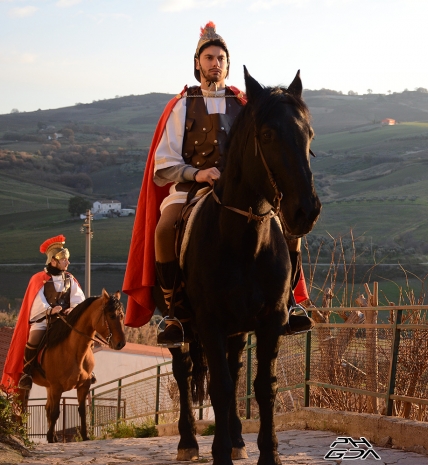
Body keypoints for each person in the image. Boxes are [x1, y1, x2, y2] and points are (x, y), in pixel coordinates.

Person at [122, 21, 314, 347]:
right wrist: (197, 174)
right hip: (191, 188)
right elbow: (164, 162)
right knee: (164, 229)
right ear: (198, 63)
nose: (215, 63)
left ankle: (288, 302)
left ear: (227, 64)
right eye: (209, 57)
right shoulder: (181, 106)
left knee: (286, 228)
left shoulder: (245, 106)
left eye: (220, 58)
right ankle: (173, 311)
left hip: (243, 190)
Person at [2, 235, 86, 391]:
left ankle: (86, 369)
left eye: (67, 259)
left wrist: (74, 308)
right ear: (53, 261)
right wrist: (49, 309)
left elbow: (78, 298)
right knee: (33, 339)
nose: (68, 262)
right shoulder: (38, 279)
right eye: (64, 260)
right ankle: (26, 374)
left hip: (65, 320)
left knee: (82, 336)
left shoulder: (70, 279)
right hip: (44, 320)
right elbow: (37, 301)